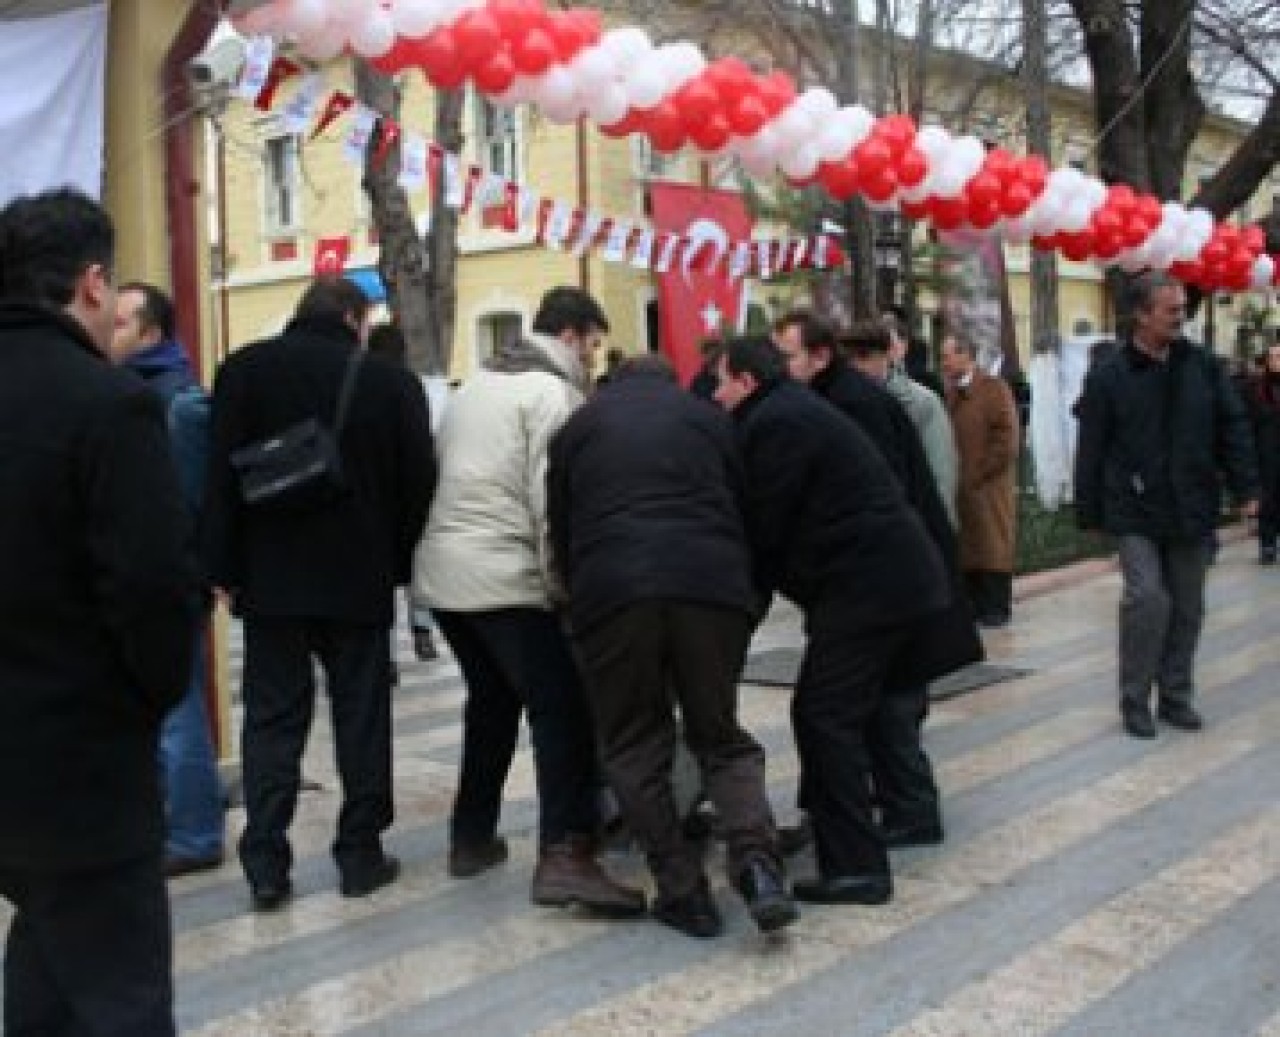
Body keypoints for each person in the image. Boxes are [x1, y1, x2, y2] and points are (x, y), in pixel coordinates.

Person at [0, 187, 200, 1035]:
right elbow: (152, 587)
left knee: (47, 961)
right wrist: (149, 696)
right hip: (83, 761)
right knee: (122, 993)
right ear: (90, 282)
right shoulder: (108, 403)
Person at [412, 286, 645, 917]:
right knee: (560, 709)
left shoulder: (476, 385)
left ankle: (472, 837)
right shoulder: (551, 394)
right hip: (506, 575)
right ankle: (566, 855)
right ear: (571, 335)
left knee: (492, 703)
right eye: (591, 345)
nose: (592, 359)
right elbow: (552, 503)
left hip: (447, 576)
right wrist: (563, 589)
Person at [204, 277, 436, 910]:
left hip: (271, 578)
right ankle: (360, 853)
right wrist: (394, 559)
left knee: (273, 719)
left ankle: (266, 863)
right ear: (355, 319)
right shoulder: (390, 383)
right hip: (358, 575)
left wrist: (223, 566)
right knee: (362, 714)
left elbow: (218, 477)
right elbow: (419, 479)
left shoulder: (244, 370)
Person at [547, 354, 796, 938]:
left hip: (615, 593)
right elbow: (746, 507)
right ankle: (758, 865)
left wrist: (580, 601)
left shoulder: (578, 427)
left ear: (613, 384)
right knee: (720, 736)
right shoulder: (708, 418)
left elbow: (561, 526)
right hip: (710, 586)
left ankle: (683, 890)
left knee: (635, 743)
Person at [713, 336, 950, 906]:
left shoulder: (774, 423)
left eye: (721, 382)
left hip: (868, 588)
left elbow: (765, 531)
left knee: (824, 715)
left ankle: (857, 868)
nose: (716, 396)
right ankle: (845, 837)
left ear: (746, 381)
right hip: (881, 582)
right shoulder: (790, 409)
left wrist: (733, 618)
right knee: (846, 712)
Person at [777, 315, 981, 853]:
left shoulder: (852, 405)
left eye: (788, 357)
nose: (781, 369)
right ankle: (890, 805)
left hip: (891, 580)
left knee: (892, 701)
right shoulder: (846, 398)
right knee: (884, 698)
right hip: (896, 577)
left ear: (821, 356)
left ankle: (911, 812)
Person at [1074, 271, 1258, 739]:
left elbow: (1232, 426)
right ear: (1141, 315)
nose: (1181, 317)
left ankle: (1175, 695)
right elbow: (1091, 446)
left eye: (1183, 309)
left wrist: (1247, 490)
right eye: (1171, 310)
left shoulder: (1203, 367)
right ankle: (1135, 699)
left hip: (1191, 504)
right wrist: (1089, 511)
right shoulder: (1109, 375)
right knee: (1147, 599)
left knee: (1188, 606)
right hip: (1133, 508)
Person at [110, 281, 226, 878]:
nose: (108, 332)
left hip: (167, 583)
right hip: (156, 580)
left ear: (150, 333)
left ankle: (195, 832)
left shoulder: (176, 404)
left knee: (178, 710)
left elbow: (181, 508)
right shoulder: (139, 394)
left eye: (121, 324)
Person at [367, 321, 441, 662]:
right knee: (418, 566)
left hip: (375, 497)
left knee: (378, 579)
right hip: (409, 493)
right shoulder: (413, 385)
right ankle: (422, 631)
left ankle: (386, 654)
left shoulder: (364, 384)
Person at [941, 332, 1021, 627]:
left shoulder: (993, 389)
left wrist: (981, 472)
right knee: (969, 546)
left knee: (992, 544)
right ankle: (974, 605)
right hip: (963, 486)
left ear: (966, 355)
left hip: (988, 486)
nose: (944, 363)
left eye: (948, 356)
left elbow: (1007, 438)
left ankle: (996, 606)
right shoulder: (951, 394)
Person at [881, 314, 960, 528]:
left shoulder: (924, 400)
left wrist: (939, 526)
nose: (882, 353)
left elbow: (941, 469)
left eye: (888, 345)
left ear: (903, 348)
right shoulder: (847, 397)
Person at [1246, 343, 1280, 565]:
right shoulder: (1257, 388)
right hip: (1266, 452)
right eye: (1274, 356)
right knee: (1268, 498)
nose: (1277, 360)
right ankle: (1268, 544)